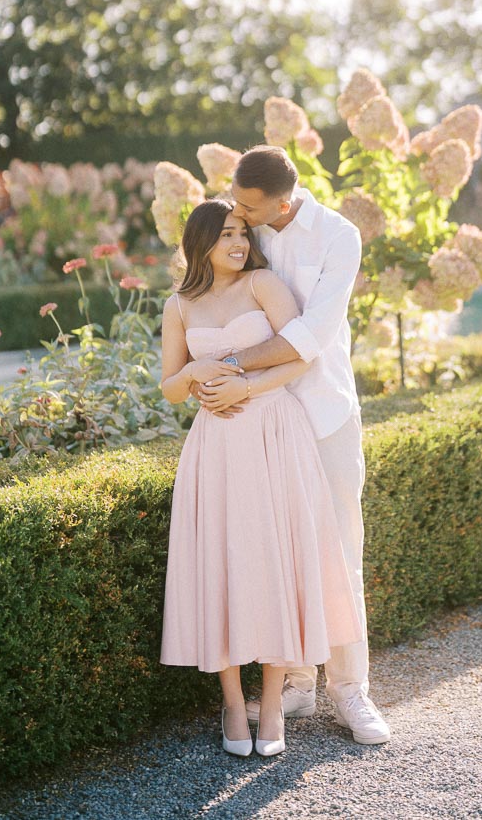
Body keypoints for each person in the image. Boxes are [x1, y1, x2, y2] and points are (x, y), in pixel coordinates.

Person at [188, 144, 391, 746]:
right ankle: (298, 682)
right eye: (236, 201)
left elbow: (311, 335)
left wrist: (225, 364)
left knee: (338, 551)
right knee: (276, 554)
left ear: (285, 200)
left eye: (248, 207)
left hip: (321, 413)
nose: (239, 216)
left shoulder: (338, 236)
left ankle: (350, 688)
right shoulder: (244, 226)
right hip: (256, 424)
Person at [159, 198, 362, 758]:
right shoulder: (178, 305)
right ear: (198, 242)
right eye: (226, 234)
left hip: (274, 430)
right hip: (215, 445)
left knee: (277, 559)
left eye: (242, 233)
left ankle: (273, 701)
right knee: (220, 561)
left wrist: (246, 386)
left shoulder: (264, 285)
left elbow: (301, 356)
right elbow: (171, 387)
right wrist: (197, 372)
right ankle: (231, 699)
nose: (239, 243)